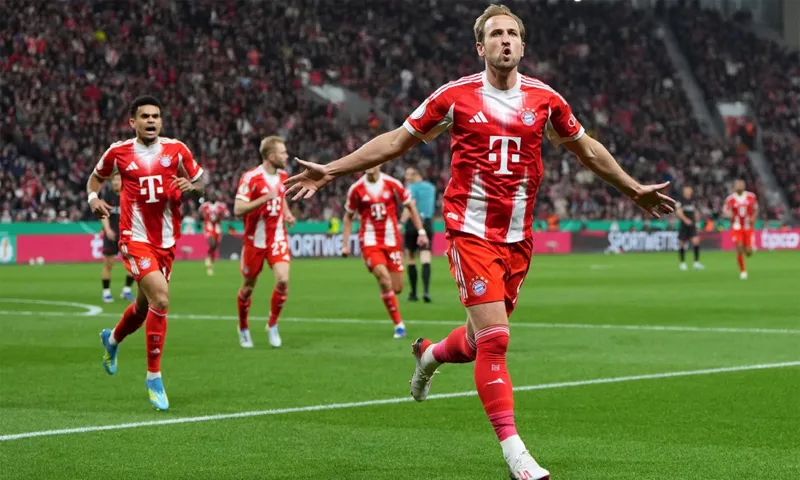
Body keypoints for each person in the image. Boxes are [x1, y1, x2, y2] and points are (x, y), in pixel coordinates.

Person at [283, 5, 675, 479]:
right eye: (496, 34)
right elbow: (395, 141)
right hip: (469, 232)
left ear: (523, 45)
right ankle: (515, 453)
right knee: (496, 338)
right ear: (480, 46)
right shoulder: (455, 97)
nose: (505, 40)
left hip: (518, 240)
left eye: (512, 33)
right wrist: (332, 169)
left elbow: (586, 148)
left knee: (474, 342)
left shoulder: (546, 100)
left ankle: (429, 355)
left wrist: (632, 188)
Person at [89, 96, 205, 411]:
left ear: (161, 121)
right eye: (144, 116)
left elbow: (201, 183)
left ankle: (112, 339)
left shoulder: (177, 149)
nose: (151, 120)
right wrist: (92, 198)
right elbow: (95, 179)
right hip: (134, 238)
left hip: (166, 241)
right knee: (162, 300)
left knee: (143, 308)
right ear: (133, 122)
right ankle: (154, 376)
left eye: (155, 116)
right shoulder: (118, 152)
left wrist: (193, 188)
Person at [341, 165, 428, 339]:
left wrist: (421, 231)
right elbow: (348, 216)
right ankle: (399, 325)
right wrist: (345, 244)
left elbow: (410, 206)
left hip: (392, 240)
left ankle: (389, 297)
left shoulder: (392, 184)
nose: (370, 164)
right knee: (384, 279)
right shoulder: (356, 189)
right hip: (369, 240)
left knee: (397, 288)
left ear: (380, 163)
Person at [234, 136, 296, 348]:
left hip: (277, 237)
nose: (286, 156)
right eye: (283, 152)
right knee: (248, 288)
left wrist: (287, 214)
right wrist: (264, 198)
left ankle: (272, 324)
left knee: (283, 280)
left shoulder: (284, 176)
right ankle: (243, 327)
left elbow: (281, 198)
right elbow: (238, 209)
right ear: (271, 156)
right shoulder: (251, 178)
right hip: (255, 241)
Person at [401, 167, 436, 302]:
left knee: (410, 257)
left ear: (416, 175)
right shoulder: (431, 188)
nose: (406, 177)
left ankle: (414, 293)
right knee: (425, 257)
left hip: (413, 223)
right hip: (427, 223)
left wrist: (401, 222)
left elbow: (410, 206)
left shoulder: (411, 188)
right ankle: (426, 291)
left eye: (408, 174)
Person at [99, 172, 136, 302]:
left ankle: (126, 290)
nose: (115, 182)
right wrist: (107, 229)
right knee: (108, 264)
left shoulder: (130, 195)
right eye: (113, 180)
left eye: (118, 180)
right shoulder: (107, 196)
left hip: (127, 235)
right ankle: (106, 293)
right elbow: (103, 214)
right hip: (111, 235)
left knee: (134, 264)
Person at [722, 179, 758, 279]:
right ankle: (743, 271)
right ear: (734, 186)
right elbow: (725, 212)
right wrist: (729, 215)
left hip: (747, 226)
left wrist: (753, 217)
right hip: (736, 226)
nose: (740, 186)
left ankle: (749, 248)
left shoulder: (751, 196)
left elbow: (756, 209)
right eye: (738, 184)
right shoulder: (730, 199)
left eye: (741, 184)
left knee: (748, 252)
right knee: (739, 246)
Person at [199, 191, 230, 276]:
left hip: (217, 228)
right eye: (211, 196)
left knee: (214, 246)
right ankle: (208, 259)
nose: (212, 197)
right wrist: (203, 216)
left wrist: (222, 215)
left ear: (217, 197)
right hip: (208, 227)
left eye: (214, 196)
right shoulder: (205, 205)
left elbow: (227, 214)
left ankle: (210, 263)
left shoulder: (221, 206)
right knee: (212, 244)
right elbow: (200, 212)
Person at [675, 185, 704, 270]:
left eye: (690, 190)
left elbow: (696, 212)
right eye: (687, 190)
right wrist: (685, 220)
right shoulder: (680, 200)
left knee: (696, 241)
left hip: (692, 225)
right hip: (684, 225)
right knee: (682, 243)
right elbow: (678, 212)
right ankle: (682, 263)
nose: (688, 192)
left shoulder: (693, 201)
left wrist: (697, 223)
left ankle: (696, 263)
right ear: (684, 191)